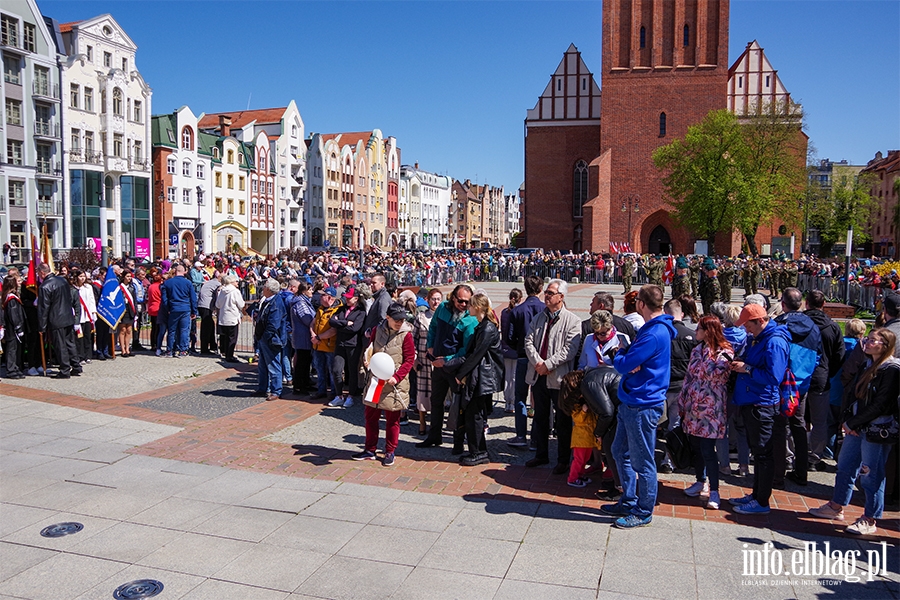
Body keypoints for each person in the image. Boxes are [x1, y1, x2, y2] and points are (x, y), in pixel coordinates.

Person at [809, 328, 899, 535]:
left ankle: (870, 518)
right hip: (857, 427)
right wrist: (849, 420)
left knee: (871, 474)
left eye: (873, 341)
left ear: (885, 346)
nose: (867, 343)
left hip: (876, 429)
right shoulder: (867, 364)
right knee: (846, 466)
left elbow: (882, 403)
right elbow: (853, 393)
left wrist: (855, 422)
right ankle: (836, 505)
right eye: (867, 339)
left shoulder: (891, 369)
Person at [601, 284, 676, 529]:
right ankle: (629, 498)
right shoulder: (652, 330)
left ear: (641, 304)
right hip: (633, 399)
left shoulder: (654, 333)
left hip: (643, 404)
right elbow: (633, 361)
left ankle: (643, 510)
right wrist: (628, 356)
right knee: (619, 451)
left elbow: (624, 365)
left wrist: (618, 354)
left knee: (642, 460)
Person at [728, 303, 790, 515]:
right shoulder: (761, 338)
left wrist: (747, 369)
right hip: (753, 401)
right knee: (759, 452)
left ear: (761, 321)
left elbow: (774, 377)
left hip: (762, 404)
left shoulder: (774, 342)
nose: (746, 329)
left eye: (749, 325)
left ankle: (762, 501)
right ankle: (756, 495)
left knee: (763, 455)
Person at [524, 278, 581, 472]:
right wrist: (538, 363)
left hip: (559, 379)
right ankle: (541, 454)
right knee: (540, 417)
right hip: (539, 376)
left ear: (561, 296)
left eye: (550, 293)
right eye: (546, 292)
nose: (546, 296)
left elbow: (569, 350)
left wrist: (548, 364)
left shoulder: (573, 321)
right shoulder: (539, 317)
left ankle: (563, 459)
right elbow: (529, 341)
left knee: (563, 421)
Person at [678, 315, 733, 510]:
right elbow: (689, 376)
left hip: (712, 407)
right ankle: (700, 480)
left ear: (708, 331)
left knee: (709, 449)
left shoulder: (724, 352)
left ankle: (715, 491)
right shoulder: (696, 351)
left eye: (699, 329)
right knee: (696, 446)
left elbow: (720, 373)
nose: (695, 332)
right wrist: (682, 400)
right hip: (693, 405)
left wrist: (711, 354)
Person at [352, 303, 415, 467]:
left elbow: (409, 360)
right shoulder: (376, 330)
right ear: (388, 317)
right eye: (396, 320)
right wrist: (367, 360)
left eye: (402, 319)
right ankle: (370, 449)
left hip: (394, 383)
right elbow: (371, 348)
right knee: (370, 416)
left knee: (392, 419)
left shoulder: (406, 335)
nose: (400, 322)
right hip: (376, 379)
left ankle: (390, 451)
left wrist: (397, 376)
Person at [416, 284, 478, 450]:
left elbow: (466, 349)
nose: (464, 304)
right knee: (436, 401)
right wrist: (430, 346)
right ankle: (434, 436)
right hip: (438, 364)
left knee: (458, 406)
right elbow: (433, 327)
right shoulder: (443, 307)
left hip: (456, 368)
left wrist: (447, 359)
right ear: (452, 298)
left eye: (467, 301)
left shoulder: (470, 319)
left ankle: (458, 442)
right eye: (460, 301)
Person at [446, 293, 504, 466]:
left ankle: (479, 452)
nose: (467, 308)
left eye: (470, 305)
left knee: (476, 416)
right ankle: (476, 450)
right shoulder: (482, 325)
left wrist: (460, 374)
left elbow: (476, 355)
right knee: (472, 415)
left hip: (483, 378)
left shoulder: (487, 328)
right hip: (478, 376)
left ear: (477, 307)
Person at [773, 287, 822, 488]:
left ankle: (778, 473)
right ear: (801, 304)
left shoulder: (778, 325)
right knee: (798, 426)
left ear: (783, 304)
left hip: (781, 383)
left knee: (779, 427)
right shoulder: (813, 326)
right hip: (800, 385)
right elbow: (818, 355)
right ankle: (801, 471)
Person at [803, 289, 845, 471]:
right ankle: (814, 456)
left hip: (799, 377)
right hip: (821, 377)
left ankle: (792, 454)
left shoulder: (799, 323)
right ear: (824, 304)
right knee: (819, 421)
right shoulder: (833, 327)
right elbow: (839, 355)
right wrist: (828, 372)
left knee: (796, 418)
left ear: (807, 303)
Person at [506, 275, 545, 448]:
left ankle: (521, 435)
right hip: (541, 360)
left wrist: (519, 346)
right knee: (540, 398)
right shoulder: (545, 309)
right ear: (541, 289)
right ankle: (536, 438)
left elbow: (508, 336)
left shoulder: (517, 311)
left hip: (522, 356)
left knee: (520, 397)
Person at [37, 263, 81, 378]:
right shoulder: (63, 281)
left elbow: (43, 308)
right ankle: (76, 366)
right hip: (67, 316)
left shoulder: (44, 286)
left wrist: (42, 326)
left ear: (42, 272)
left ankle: (65, 369)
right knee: (70, 343)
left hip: (56, 319)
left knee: (60, 345)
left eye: (38, 273)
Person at [558, 370, 601, 488]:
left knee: (585, 459)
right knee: (579, 459)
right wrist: (583, 411)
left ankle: (580, 475)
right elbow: (578, 419)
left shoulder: (582, 402)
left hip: (588, 437)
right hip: (580, 438)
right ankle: (572, 478)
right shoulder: (575, 406)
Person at [328, 287, 366, 408]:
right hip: (340, 343)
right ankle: (339, 395)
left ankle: (351, 396)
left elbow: (355, 328)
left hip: (353, 344)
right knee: (336, 370)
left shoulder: (361, 312)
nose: (347, 299)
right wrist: (345, 323)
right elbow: (331, 321)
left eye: (349, 298)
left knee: (352, 370)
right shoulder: (341, 308)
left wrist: (340, 323)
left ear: (356, 298)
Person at [413, 288, 442, 436]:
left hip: (439, 360)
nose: (435, 302)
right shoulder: (421, 317)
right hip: (423, 361)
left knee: (438, 392)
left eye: (438, 299)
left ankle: (436, 422)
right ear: (428, 300)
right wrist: (415, 357)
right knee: (422, 392)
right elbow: (413, 339)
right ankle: (423, 422)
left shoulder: (444, 317)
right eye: (433, 299)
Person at [254, 278, 287, 401]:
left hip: (272, 339)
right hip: (264, 338)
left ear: (269, 289)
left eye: (264, 287)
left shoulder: (276, 303)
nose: (263, 288)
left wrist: (264, 337)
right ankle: (263, 388)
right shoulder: (268, 301)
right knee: (262, 365)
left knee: (273, 365)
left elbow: (274, 324)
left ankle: (276, 390)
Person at [161, 264, 197, 358]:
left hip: (173, 308)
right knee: (184, 330)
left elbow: (164, 299)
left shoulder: (167, 283)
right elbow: (193, 298)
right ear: (184, 271)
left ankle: (169, 350)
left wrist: (168, 309)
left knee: (172, 330)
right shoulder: (188, 283)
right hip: (185, 308)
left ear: (175, 271)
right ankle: (183, 350)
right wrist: (194, 311)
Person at [311, 287, 340, 400]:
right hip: (317, 345)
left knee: (332, 370)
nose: (320, 297)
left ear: (329, 297)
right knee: (319, 369)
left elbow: (333, 330)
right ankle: (321, 390)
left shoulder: (337, 310)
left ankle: (334, 393)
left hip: (329, 346)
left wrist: (319, 337)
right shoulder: (320, 309)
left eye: (322, 295)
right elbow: (313, 323)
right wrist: (313, 334)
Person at [290, 281, 316, 393]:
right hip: (302, 336)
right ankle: (299, 385)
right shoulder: (300, 303)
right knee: (302, 361)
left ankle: (305, 382)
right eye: (310, 290)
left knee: (306, 360)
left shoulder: (305, 302)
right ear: (304, 291)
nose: (312, 292)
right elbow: (307, 319)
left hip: (305, 335)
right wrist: (315, 320)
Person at [500, 288, 523, 413]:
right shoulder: (520, 311)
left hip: (505, 346)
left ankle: (507, 401)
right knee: (514, 377)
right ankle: (513, 402)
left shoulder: (504, 312)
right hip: (516, 348)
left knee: (507, 376)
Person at [215, 274, 245, 362]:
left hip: (224, 317)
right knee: (232, 337)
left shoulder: (222, 291)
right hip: (232, 317)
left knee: (225, 336)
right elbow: (241, 304)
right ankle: (230, 355)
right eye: (236, 281)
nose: (237, 283)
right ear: (232, 282)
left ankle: (225, 353)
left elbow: (218, 304)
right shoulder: (235, 291)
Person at [2, 275, 26, 379]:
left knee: (15, 349)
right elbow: (13, 314)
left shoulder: (9, 296)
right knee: (11, 349)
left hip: (12, 328)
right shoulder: (11, 298)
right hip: (12, 329)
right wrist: (18, 327)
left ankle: (15, 367)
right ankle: (10, 370)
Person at [74, 270, 96, 364]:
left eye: (84, 276)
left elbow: (91, 300)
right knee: (79, 337)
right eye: (80, 276)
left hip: (87, 315)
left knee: (88, 336)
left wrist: (93, 312)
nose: (82, 278)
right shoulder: (74, 288)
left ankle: (88, 355)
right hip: (79, 315)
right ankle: (80, 356)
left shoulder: (88, 287)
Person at [198, 275, 222, 355]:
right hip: (206, 305)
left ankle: (212, 345)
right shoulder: (217, 284)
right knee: (206, 327)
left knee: (210, 325)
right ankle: (204, 348)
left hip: (203, 304)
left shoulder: (210, 282)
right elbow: (218, 294)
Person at [117, 268, 138, 358]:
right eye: (127, 276)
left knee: (129, 330)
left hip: (130, 310)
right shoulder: (119, 287)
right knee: (123, 330)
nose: (129, 278)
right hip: (122, 310)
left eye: (130, 276)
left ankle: (128, 349)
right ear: (123, 277)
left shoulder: (132, 287)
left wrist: (136, 311)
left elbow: (134, 300)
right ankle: (123, 350)